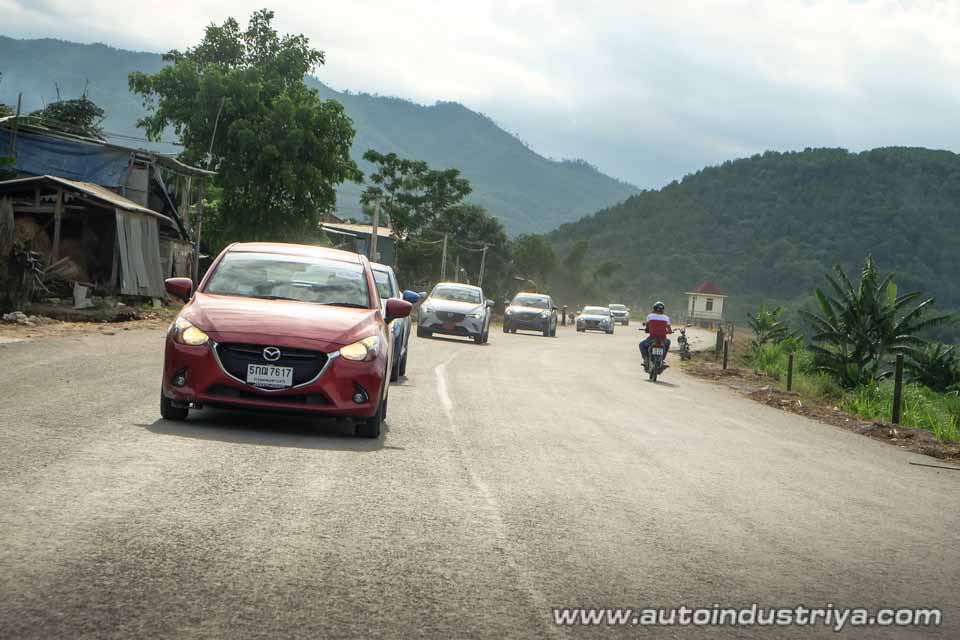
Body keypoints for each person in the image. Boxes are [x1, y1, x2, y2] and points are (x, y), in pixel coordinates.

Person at [640, 301, 673, 369]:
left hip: (652, 338)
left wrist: (647, 330)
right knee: (668, 342)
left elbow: (647, 328)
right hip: (662, 339)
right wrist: (669, 332)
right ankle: (662, 359)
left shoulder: (650, 316)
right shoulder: (666, 318)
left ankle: (646, 359)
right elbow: (669, 330)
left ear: (654, 309)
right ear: (663, 309)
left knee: (642, 345)